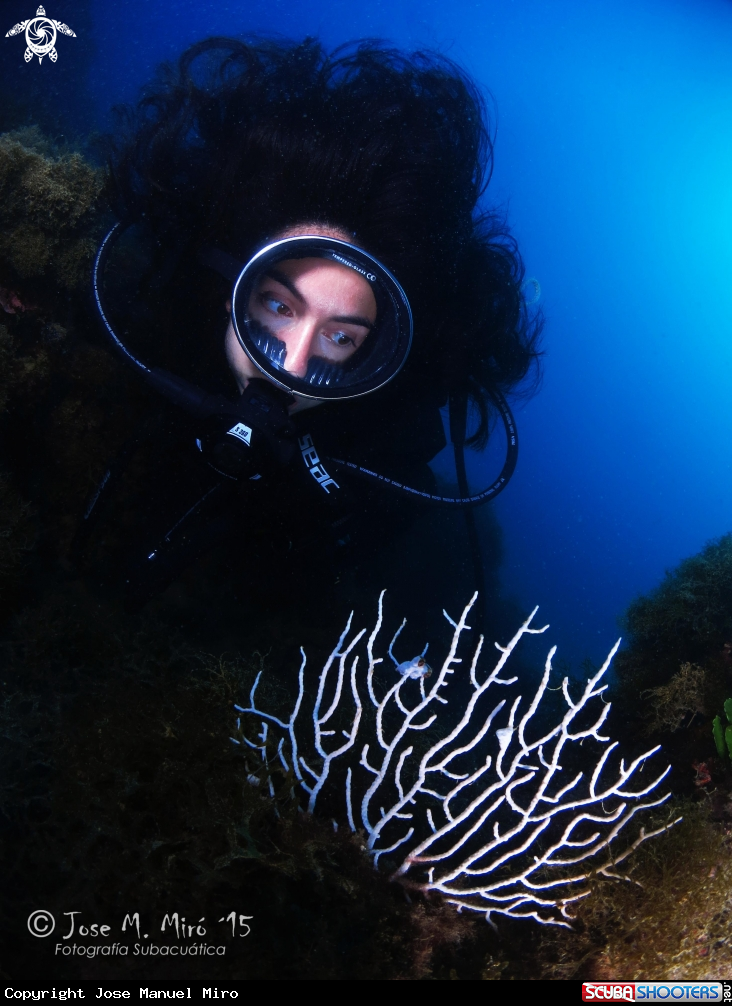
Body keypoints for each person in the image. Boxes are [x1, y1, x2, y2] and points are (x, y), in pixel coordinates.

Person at [81, 36, 541, 628]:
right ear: (229, 288)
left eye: (341, 338)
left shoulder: (385, 441)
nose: (294, 368)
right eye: (277, 305)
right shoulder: (143, 308)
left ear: (376, 352)